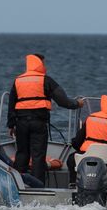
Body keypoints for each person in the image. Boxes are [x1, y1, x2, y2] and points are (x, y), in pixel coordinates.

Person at [7, 53, 82, 182]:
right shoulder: (46, 80)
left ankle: (18, 183)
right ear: (40, 63)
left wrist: (11, 124)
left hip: (21, 123)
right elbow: (63, 101)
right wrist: (77, 104)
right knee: (38, 156)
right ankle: (37, 185)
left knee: (22, 153)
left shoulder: (18, 80)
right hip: (38, 123)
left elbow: (11, 105)